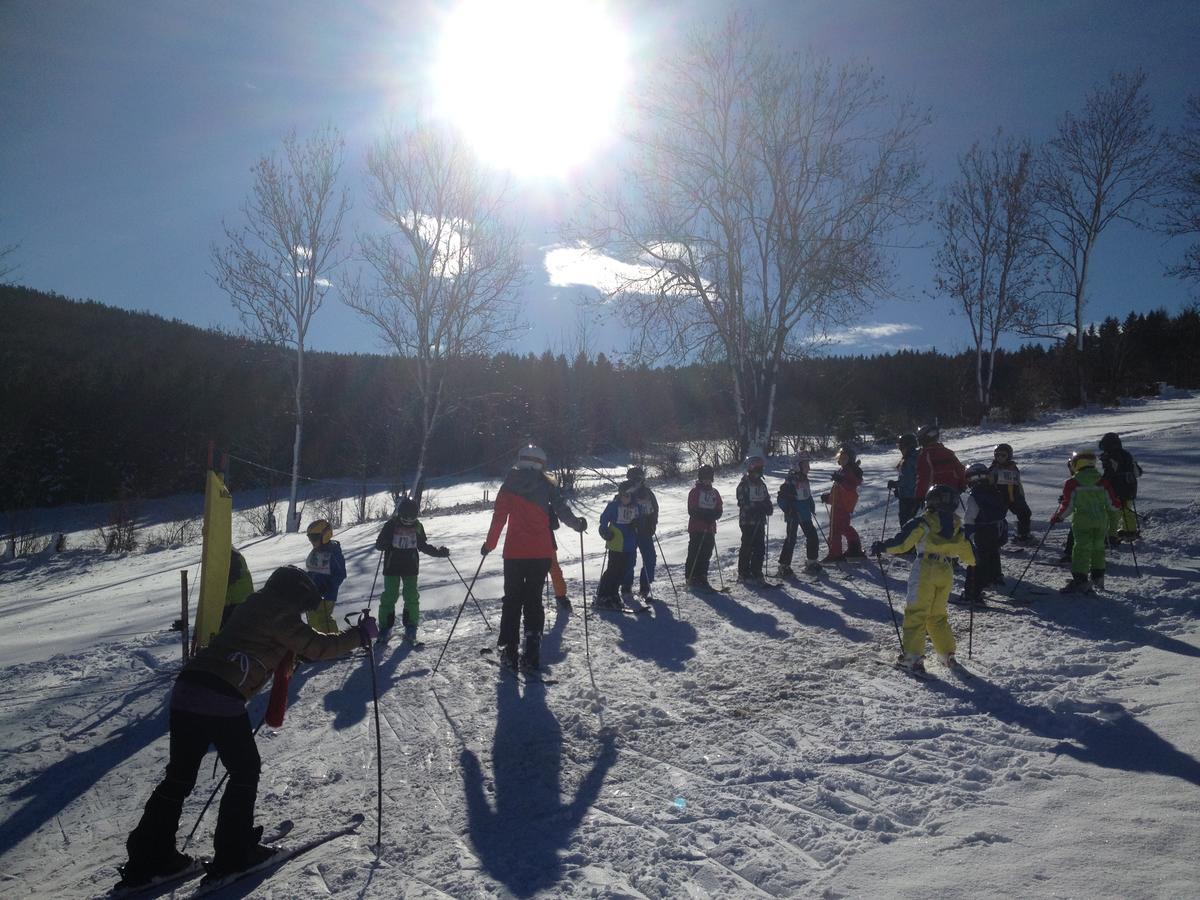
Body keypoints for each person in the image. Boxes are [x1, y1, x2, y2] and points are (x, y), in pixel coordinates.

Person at [119, 566, 375, 889]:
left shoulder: (253, 605)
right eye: (301, 607)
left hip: (188, 690)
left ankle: (149, 856)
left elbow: (294, 649)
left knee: (180, 776)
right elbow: (315, 647)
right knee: (245, 769)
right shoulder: (280, 613)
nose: (300, 614)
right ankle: (235, 852)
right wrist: (359, 636)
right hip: (219, 695)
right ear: (293, 597)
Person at [482, 444, 587, 670]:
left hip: (514, 553)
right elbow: (561, 510)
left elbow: (498, 518)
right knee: (533, 600)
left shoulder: (509, 484)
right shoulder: (546, 485)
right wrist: (578, 524)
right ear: (540, 463)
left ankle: (509, 648)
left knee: (512, 600)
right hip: (541, 552)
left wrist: (489, 545)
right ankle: (531, 650)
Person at [871, 485, 976, 674]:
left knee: (917, 612)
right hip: (946, 570)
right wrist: (974, 563)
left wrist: (883, 547)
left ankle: (912, 657)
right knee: (937, 614)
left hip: (925, 568)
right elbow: (969, 553)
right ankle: (947, 654)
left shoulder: (924, 522)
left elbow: (903, 543)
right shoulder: (957, 527)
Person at [374, 496, 450, 643]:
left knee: (411, 596)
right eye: (405, 519)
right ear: (399, 514)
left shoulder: (417, 526)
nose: (409, 522)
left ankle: (411, 626)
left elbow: (423, 546)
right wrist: (386, 542)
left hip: (410, 567)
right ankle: (385, 627)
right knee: (389, 596)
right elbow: (379, 545)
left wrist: (439, 553)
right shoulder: (391, 525)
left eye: (412, 519)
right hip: (392, 567)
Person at [1051, 450, 1122, 594]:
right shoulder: (1103, 482)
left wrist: (1058, 517)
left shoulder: (1072, 483)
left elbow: (1068, 505)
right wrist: (1117, 506)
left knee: (1081, 549)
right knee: (1098, 548)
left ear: (1076, 465)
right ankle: (1098, 578)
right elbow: (1112, 505)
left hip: (1083, 522)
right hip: (1101, 521)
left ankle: (1080, 580)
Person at [957, 463, 1007, 606]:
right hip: (997, 529)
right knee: (992, 553)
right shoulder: (995, 491)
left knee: (976, 560)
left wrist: (967, 532)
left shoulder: (975, 496)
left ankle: (971, 593)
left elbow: (970, 516)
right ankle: (993, 577)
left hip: (982, 531)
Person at [597, 481, 640, 609]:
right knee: (613, 570)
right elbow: (603, 520)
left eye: (628, 495)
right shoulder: (613, 506)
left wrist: (637, 524)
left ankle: (613, 593)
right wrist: (604, 531)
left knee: (623, 570)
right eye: (623, 495)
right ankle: (603, 595)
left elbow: (639, 519)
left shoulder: (635, 507)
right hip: (616, 543)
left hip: (629, 544)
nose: (625, 498)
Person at [776, 453, 820, 576]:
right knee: (791, 539)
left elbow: (807, 495)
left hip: (805, 514)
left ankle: (811, 561)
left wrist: (811, 506)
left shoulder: (804, 479)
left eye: (808, 465)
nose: (808, 468)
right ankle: (784, 565)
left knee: (812, 536)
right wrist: (788, 509)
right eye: (805, 465)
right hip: (794, 515)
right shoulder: (790, 480)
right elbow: (781, 498)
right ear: (797, 466)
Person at [735, 452, 774, 582]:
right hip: (747, 520)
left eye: (760, 470)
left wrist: (767, 507)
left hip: (760, 520)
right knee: (747, 545)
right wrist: (755, 508)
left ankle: (756, 570)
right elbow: (742, 502)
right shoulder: (744, 485)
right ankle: (743, 572)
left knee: (760, 546)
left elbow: (766, 499)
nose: (759, 473)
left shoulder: (762, 485)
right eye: (757, 470)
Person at [822, 445, 864, 562]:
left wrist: (841, 481)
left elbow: (851, 486)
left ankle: (836, 554)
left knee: (836, 529)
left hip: (843, 505)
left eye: (845, 458)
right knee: (843, 527)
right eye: (841, 457)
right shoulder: (843, 471)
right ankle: (854, 548)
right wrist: (828, 498)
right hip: (839, 504)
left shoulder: (849, 471)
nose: (842, 460)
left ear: (850, 459)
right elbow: (837, 491)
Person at [624, 466, 660, 602]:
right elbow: (619, 510)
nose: (636, 482)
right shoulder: (625, 492)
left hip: (645, 531)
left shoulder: (648, 493)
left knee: (650, 558)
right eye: (633, 479)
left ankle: (645, 586)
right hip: (630, 533)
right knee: (629, 561)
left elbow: (654, 510)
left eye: (639, 478)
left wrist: (652, 524)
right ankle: (626, 587)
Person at [685, 464, 723, 589]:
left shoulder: (714, 492)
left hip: (710, 527)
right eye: (704, 478)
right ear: (700, 478)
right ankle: (691, 576)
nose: (707, 480)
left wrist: (714, 516)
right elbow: (692, 509)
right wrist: (704, 516)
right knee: (695, 551)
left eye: (709, 478)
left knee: (706, 552)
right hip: (697, 527)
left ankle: (702, 575)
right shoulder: (695, 492)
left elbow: (719, 508)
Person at [1099, 432, 1143, 539]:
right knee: (1126, 509)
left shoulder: (1110, 456)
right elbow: (1138, 472)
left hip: (1115, 488)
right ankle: (1130, 530)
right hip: (1130, 486)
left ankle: (1111, 534)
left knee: (1112, 511)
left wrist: (1102, 484)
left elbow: (1110, 473)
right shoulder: (1127, 454)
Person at [304, 519, 346, 633]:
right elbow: (313, 570)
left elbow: (341, 574)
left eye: (314, 538)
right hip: (314, 592)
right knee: (313, 618)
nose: (312, 541)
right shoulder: (315, 551)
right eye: (310, 538)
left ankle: (335, 645)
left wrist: (328, 586)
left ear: (325, 535)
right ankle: (319, 645)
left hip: (327, 594)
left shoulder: (333, 552)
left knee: (322, 619)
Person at [989, 443, 1034, 544]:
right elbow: (989, 483)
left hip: (1014, 496)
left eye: (1003, 455)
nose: (1000, 457)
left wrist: (1021, 496)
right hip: (1000, 498)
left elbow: (1018, 483)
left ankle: (1023, 535)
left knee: (1025, 513)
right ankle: (994, 540)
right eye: (997, 455)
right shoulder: (993, 469)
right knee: (996, 518)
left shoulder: (1013, 468)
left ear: (1009, 456)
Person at [913, 424, 967, 499]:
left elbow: (924, 477)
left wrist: (919, 496)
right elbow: (960, 470)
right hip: (952, 493)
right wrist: (962, 485)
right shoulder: (948, 452)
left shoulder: (925, 455)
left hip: (934, 495)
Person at [889, 433, 921, 524]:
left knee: (907, 522)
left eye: (902, 447)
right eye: (899, 446)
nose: (900, 449)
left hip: (910, 498)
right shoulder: (910, 458)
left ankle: (907, 537)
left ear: (909, 446)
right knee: (908, 521)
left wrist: (896, 484)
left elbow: (909, 481)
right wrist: (898, 488)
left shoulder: (911, 460)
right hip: (909, 496)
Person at [220, 548, 255, 629]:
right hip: (236, 599)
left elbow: (232, 577)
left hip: (237, 600)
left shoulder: (231, 554)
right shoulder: (230, 553)